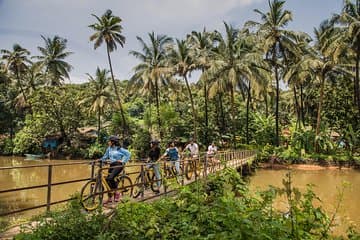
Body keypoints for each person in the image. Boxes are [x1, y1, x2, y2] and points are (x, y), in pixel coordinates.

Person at [99, 135, 131, 204]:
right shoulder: (109, 148)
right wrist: (100, 160)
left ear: (113, 142)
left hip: (119, 165)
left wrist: (123, 161)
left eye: (109, 141)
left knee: (110, 178)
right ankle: (110, 198)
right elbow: (105, 156)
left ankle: (116, 192)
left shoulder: (119, 149)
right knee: (107, 179)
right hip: (112, 165)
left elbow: (128, 154)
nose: (108, 142)